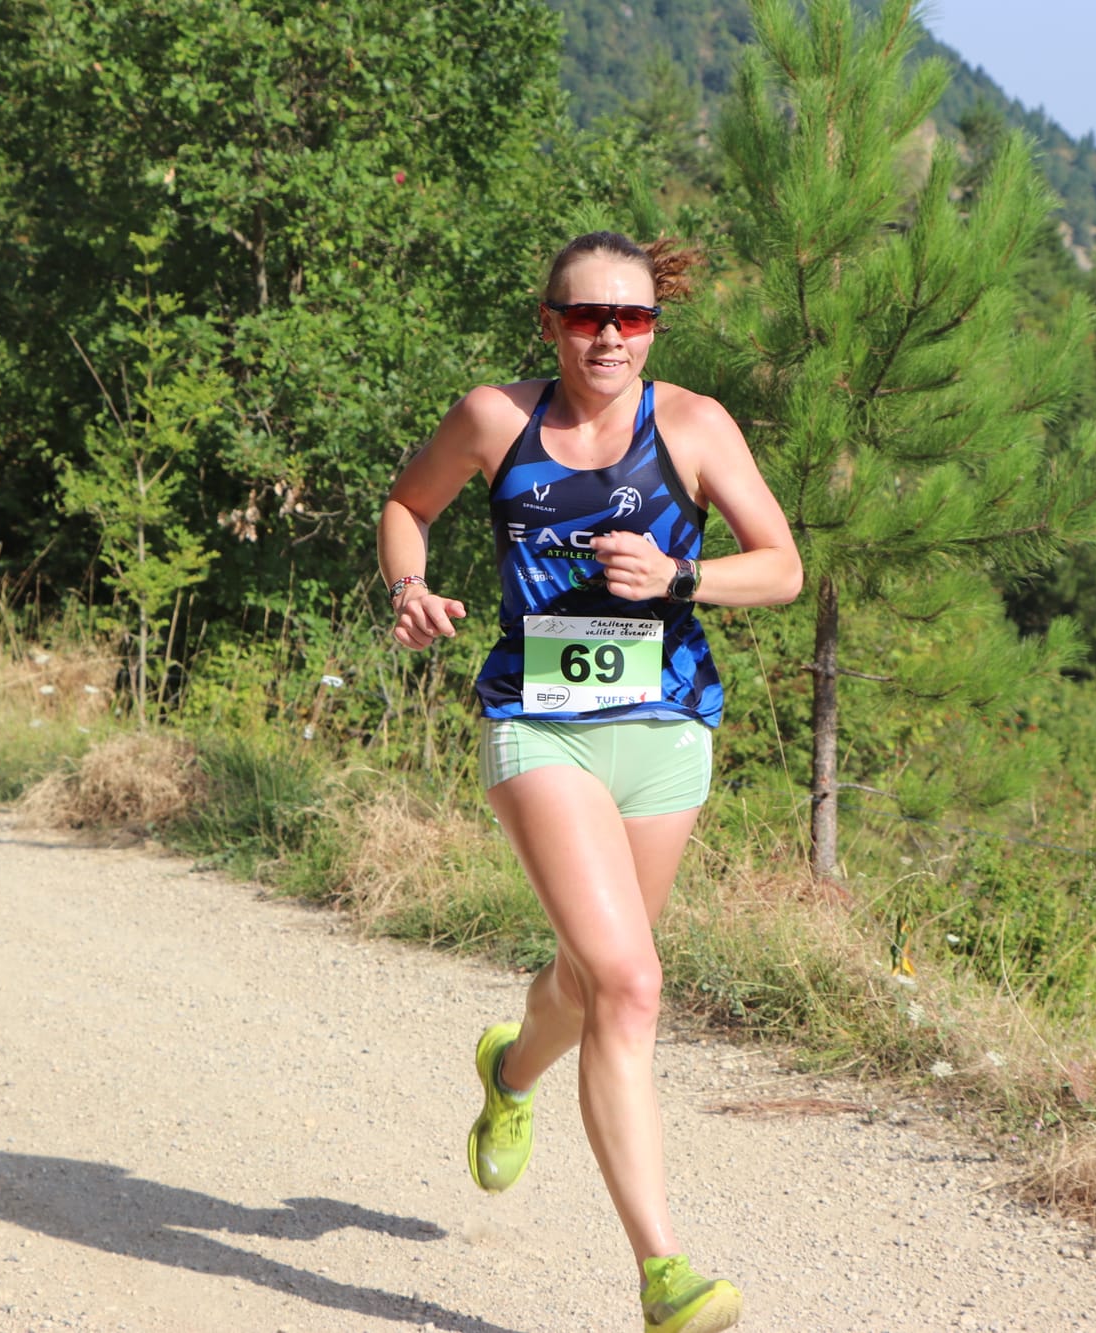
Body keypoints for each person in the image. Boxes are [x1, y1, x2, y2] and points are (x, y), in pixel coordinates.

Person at [376, 230, 801, 1333]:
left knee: (591, 979)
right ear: (549, 323)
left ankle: (509, 1071)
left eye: (631, 317)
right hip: (539, 723)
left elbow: (784, 567)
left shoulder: (694, 426)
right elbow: (405, 506)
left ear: (653, 324)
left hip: (665, 729)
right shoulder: (493, 419)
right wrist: (411, 586)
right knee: (632, 983)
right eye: (584, 317)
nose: (608, 336)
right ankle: (666, 1275)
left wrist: (683, 574)